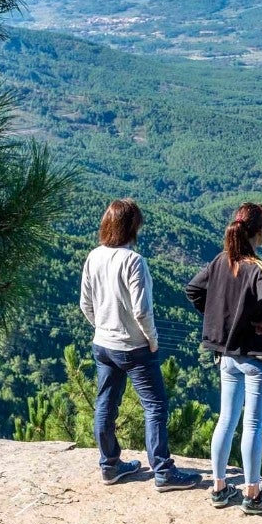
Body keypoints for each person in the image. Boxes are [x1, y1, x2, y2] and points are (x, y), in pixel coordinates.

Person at [80, 198, 200, 491]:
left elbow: (85, 303)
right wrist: (152, 340)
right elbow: (142, 311)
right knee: (155, 406)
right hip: (133, 346)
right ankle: (163, 472)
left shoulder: (93, 256)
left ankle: (110, 466)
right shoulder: (133, 261)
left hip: (103, 344)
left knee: (105, 404)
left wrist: (102, 328)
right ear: (132, 227)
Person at [185, 203, 262, 515]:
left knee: (226, 419)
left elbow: (193, 290)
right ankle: (253, 495)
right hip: (255, 358)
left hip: (226, 356)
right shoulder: (256, 268)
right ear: (259, 232)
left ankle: (219, 488)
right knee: (252, 425)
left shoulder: (221, 261)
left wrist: (218, 320)